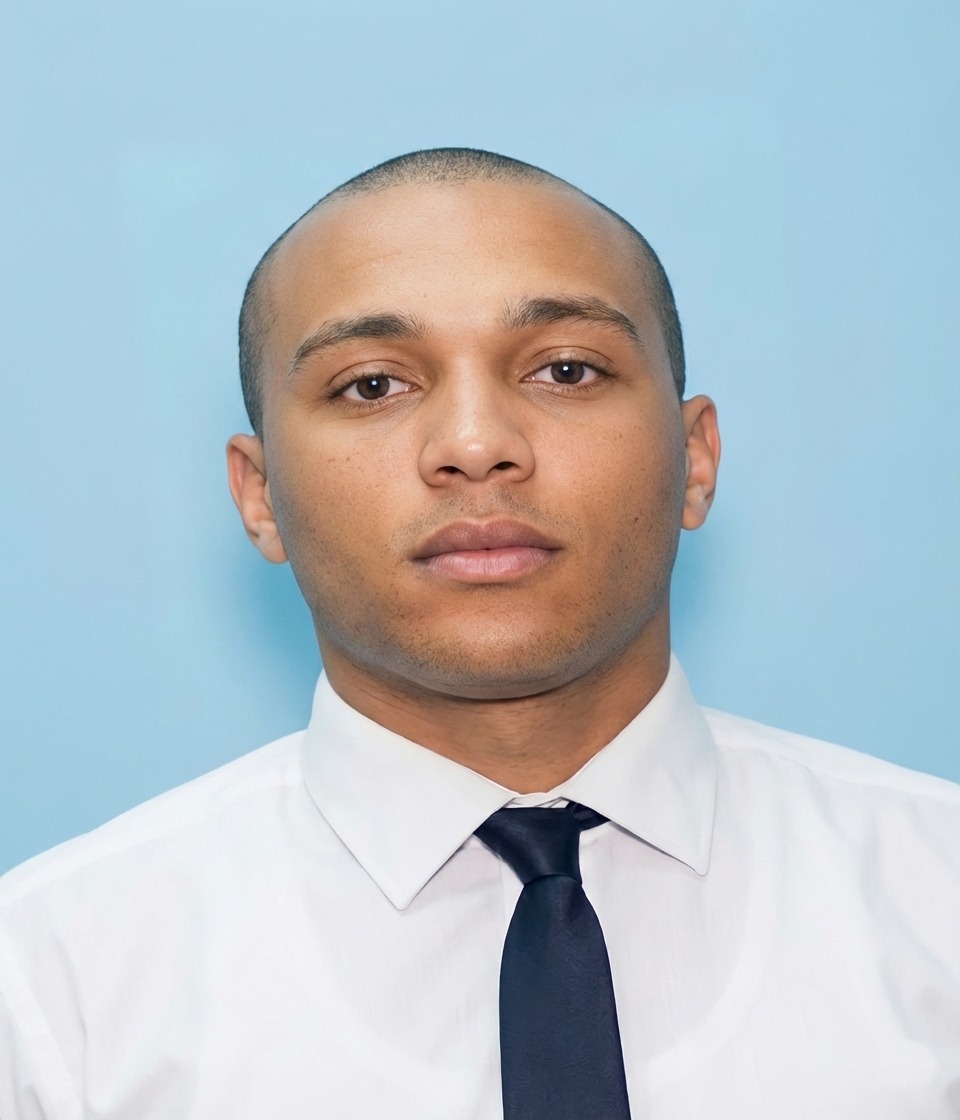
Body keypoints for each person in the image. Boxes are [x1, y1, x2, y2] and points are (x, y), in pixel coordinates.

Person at [0, 148, 957, 1120]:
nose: (474, 444)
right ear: (260, 497)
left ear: (696, 459)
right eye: (372, 385)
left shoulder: (938, 899)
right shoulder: (49, 988)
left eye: (567, 369)